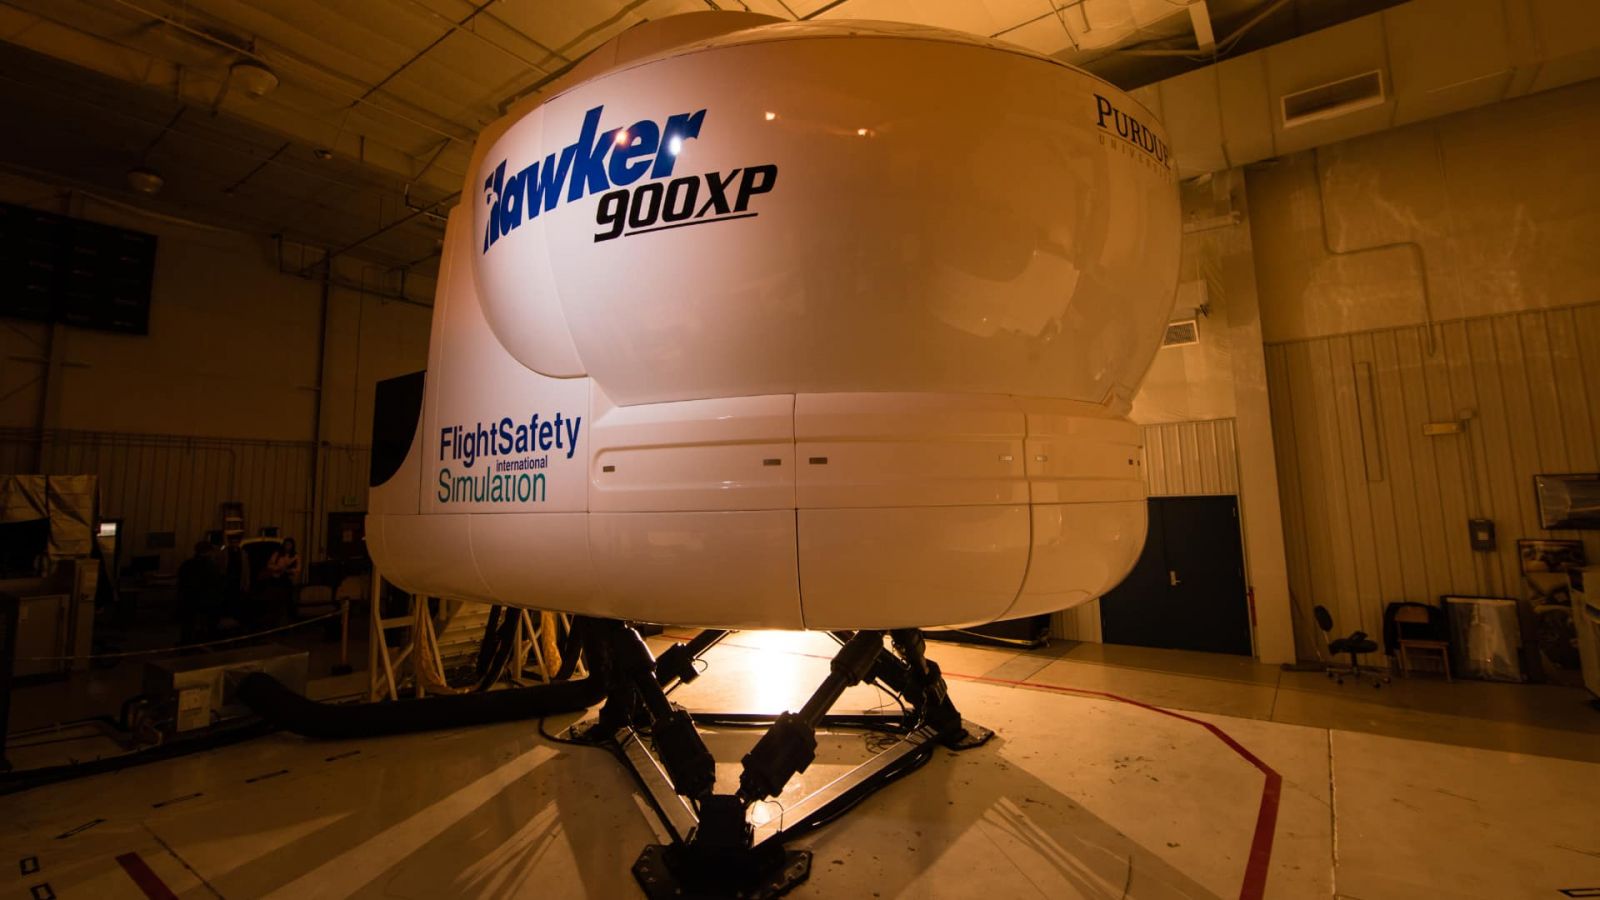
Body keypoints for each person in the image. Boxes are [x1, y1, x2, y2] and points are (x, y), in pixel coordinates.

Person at [175, 540, 222, 644]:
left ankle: (186, 645)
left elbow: (181, 582)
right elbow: (216, 584)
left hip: (189, 600)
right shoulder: (211, 566)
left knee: (188, 626)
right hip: (206, 602)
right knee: (210, 624)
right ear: (209, 552)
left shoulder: (187, 564)